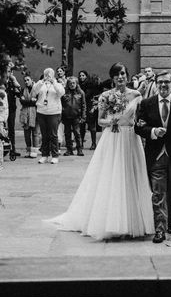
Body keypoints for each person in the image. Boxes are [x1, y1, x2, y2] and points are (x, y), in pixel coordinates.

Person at [47, 62, 155, 240]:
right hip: (113, 138)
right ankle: (112, 220)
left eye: (123, 73)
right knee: (112, 176)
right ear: (112, 78)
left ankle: (135, 218)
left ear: (127, 76)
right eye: (117, 74)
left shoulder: (136, 94)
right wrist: (113, 120)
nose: (120, 77)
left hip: (130, 138)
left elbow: (139, 118)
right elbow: (100, 122)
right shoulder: (106, 96)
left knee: (132, 175)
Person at [135, 71, 171, 243]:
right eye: (160, 82)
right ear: (155, 84)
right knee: (158, 193)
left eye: (166, 83)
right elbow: (139, 127)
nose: (163, 85)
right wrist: (153, 131)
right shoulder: (147, 104)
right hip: (156, 156)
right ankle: (159, 229)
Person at [30, 67, 65, 164]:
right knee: (44, 135)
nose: (48, 76)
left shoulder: (57, 84)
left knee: (53, 135)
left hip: (54, 112)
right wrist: (42, 81)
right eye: (46, 74)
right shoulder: (41, 84)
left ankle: (55, 155)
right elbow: (34, 92)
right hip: (42, 112)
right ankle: (44, 155)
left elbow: (61, 93)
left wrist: (54, 82)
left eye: (50, 74)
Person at [61, 76, 86, 156]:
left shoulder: (81, 92)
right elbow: (61, 104)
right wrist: (61, 116)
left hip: (76, 116)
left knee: (77, 133)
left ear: (76, 83)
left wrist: (83, 116)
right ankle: (69, 149)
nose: (72, 84)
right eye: (70, 83)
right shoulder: (64, 92)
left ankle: (79, 149)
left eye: (73, 83)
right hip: (66, 116)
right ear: (67, 84)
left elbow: (83, 105)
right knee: (67, 134)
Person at [19, 73, 39, 158]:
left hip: (35, 113)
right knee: (27, 133)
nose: (26, 82)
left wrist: (27, 101)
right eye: (25, 80)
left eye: (28, 80)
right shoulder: (23, 89)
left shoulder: (37, 89)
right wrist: (31, 101)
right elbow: (22, 101)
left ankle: (34, 151)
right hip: (25, 114)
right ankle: (28, 150)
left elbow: (37, 101)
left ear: (32, 80)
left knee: (35, 133)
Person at [6, 70, 22, 156]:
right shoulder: (1, 82)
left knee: (11, 128)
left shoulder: (13, 83)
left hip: (11, 108)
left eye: (10, 72)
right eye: (7, 71)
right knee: (2, 128)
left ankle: (13, 148)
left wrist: (15, 81)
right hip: (2, 109)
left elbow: (20, 94)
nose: (9, 74)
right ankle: (3, 148)